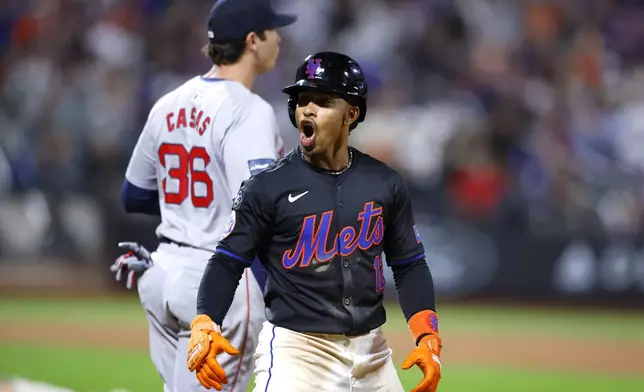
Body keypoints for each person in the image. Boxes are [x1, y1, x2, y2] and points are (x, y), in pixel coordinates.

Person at [186, 52, 443, 392]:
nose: (307, 109)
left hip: (373, 352)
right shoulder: (267, 187)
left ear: (351, 114)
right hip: (298, 353)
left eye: (322, 101)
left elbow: (409, 264)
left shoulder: (385, 183)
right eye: (302, 100)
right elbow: (227, 261)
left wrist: (426, 333)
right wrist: (206, 320)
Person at [110, 1, 296, 391]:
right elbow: (260, 211)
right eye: (272, 30)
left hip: (162, 275)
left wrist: (192, 212)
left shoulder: (168, 102)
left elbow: (134, 194)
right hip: (219, 286)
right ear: (252, 41)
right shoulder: (248, 110)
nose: (278, 38)